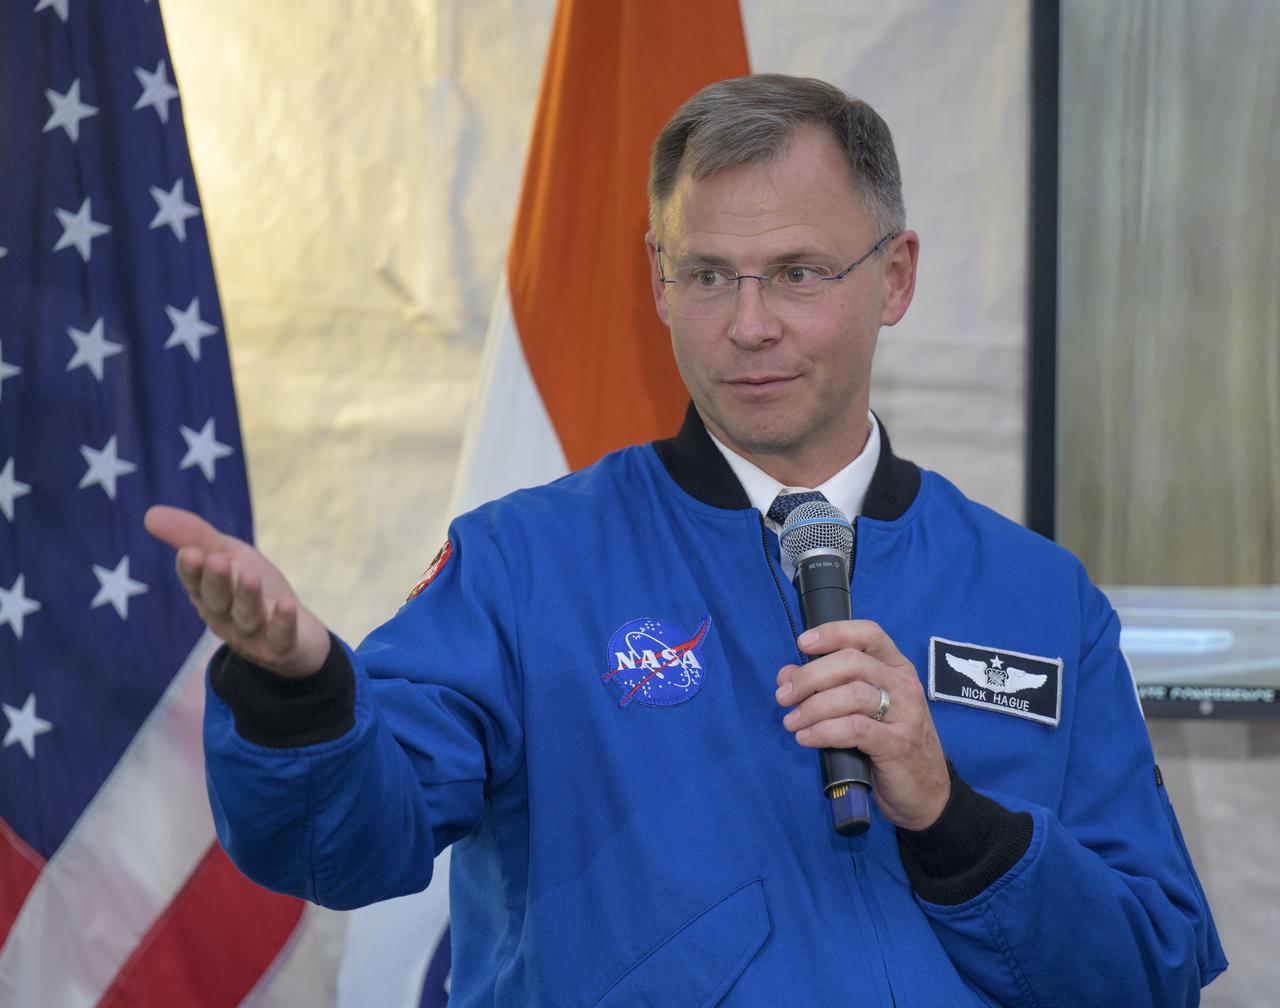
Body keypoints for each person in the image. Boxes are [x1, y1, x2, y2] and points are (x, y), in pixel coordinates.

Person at [146, 74, 1226, 1006]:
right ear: (656, 281)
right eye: (705, 274)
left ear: (892, 279)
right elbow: (339, 846)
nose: (747, 324)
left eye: (798, 273)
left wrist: (950, 818)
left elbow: (1149, 971)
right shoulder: (527, 570)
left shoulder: (1038, 596)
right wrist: (300, 696)